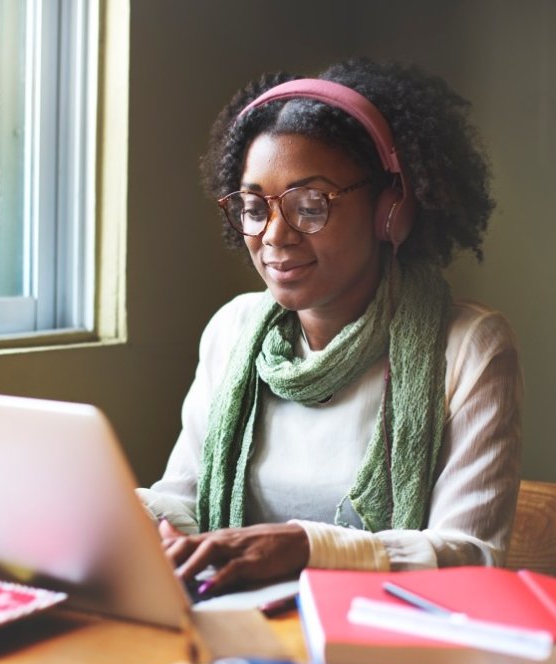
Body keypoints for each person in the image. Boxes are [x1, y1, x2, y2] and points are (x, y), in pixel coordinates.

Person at [138, 57, 522, 596]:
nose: (274, 235)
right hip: (235, 627)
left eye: (310, 205)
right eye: (254, 207)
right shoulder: (233, 330)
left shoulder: (469, 347)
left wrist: (306, 547)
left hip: (379, 645)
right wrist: (115, 510)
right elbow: (184, 503)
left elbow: (470, 557)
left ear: (392, 209)